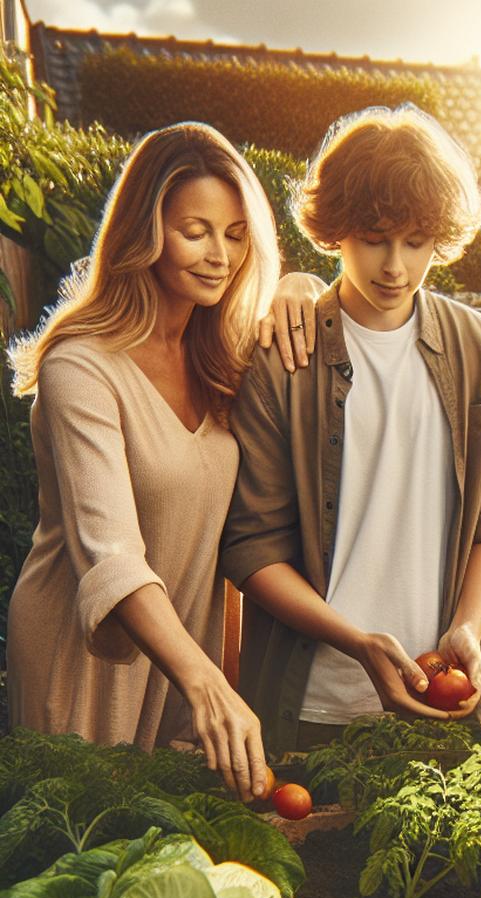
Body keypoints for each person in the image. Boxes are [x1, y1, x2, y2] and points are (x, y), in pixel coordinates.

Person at [220, 106, 481, 754]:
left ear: (440, 236)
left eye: (416, 241)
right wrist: (355, 643)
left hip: (446, 706)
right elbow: (252, 550)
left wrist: (468, 631)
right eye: (373, 237)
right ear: (335, 233)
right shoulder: (281, 357)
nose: (394, 265)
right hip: (309, 711)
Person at [7, 123, 280, 800]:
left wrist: (222, 672)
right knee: (75, 864)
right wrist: (206, 680)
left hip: (185, 657)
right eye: (197, 229)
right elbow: (111, 552)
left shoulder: (222, 365)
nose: (221, 254)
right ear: (144, 230)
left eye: (237, 233)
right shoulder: (81, 365)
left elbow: (229, 547)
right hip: (85, 653)